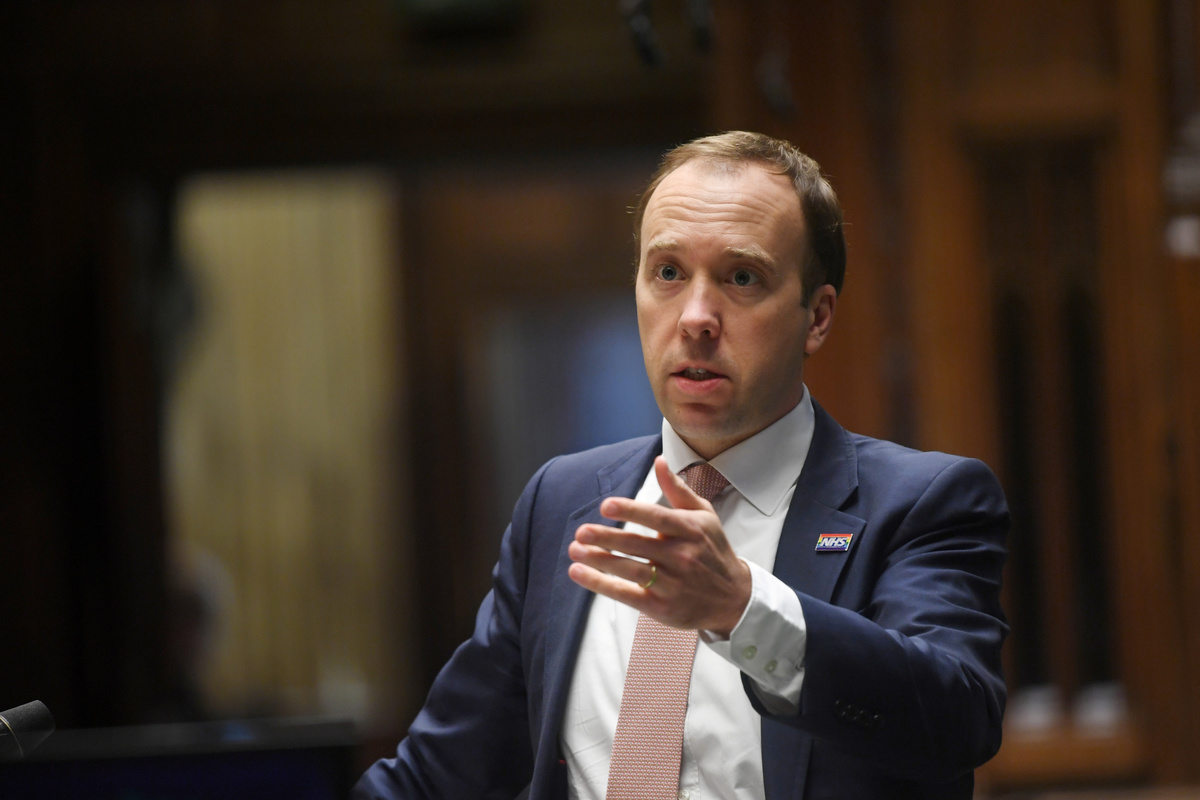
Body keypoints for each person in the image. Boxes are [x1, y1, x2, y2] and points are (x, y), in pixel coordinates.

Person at [354, 131, 1008, 800]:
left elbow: (960, 719)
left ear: (817, 317)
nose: (696, 318)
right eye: (667, 273)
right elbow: (439, 774)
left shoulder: (920, 503)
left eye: (742, 277)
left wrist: (743, 609)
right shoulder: (562, 501)